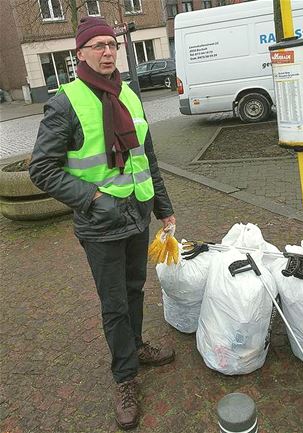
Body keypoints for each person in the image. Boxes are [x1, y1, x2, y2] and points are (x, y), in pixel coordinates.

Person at [29, 16, 176, 430]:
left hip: (137, 214)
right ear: (80, 54)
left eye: (112, 44)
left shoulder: (129, 93)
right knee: (114, 304)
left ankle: (137, 346)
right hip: (100, 223)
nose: (108, 51)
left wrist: (164, 207)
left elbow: (146, 157)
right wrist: (92, 198)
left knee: (135, 289)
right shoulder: (65, 101)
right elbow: (42, 169)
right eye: (97, 45)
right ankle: (125, 378)